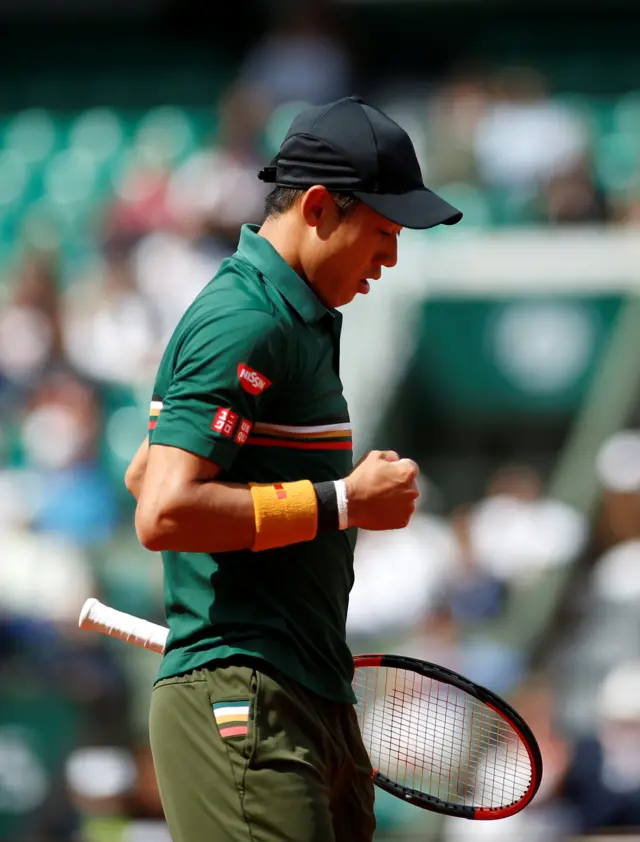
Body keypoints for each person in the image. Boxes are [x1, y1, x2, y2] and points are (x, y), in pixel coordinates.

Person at [125, 95, 462, 842]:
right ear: (317, 206)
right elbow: (164, 513)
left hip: (305, 690)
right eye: (382, 231)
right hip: (246, 697)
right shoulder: (246, 320)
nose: (391, 256)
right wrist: (343, 502)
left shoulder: (285, 319)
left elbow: (144, 474)